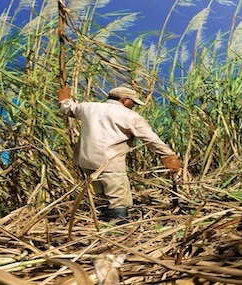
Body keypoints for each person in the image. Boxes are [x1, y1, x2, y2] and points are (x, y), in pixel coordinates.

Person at [57, 85, 181, 221]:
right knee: (119, 199)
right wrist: (168, 155)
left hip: (86, 161)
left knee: (102, 194)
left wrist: (64, 98)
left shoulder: (87, 107)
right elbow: (151, 139)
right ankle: (118, 227)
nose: (133, 105)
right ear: (123, 100)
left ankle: (104, 220)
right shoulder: (130, 116)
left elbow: (67, 108)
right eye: (132, 102)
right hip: (110, 163)